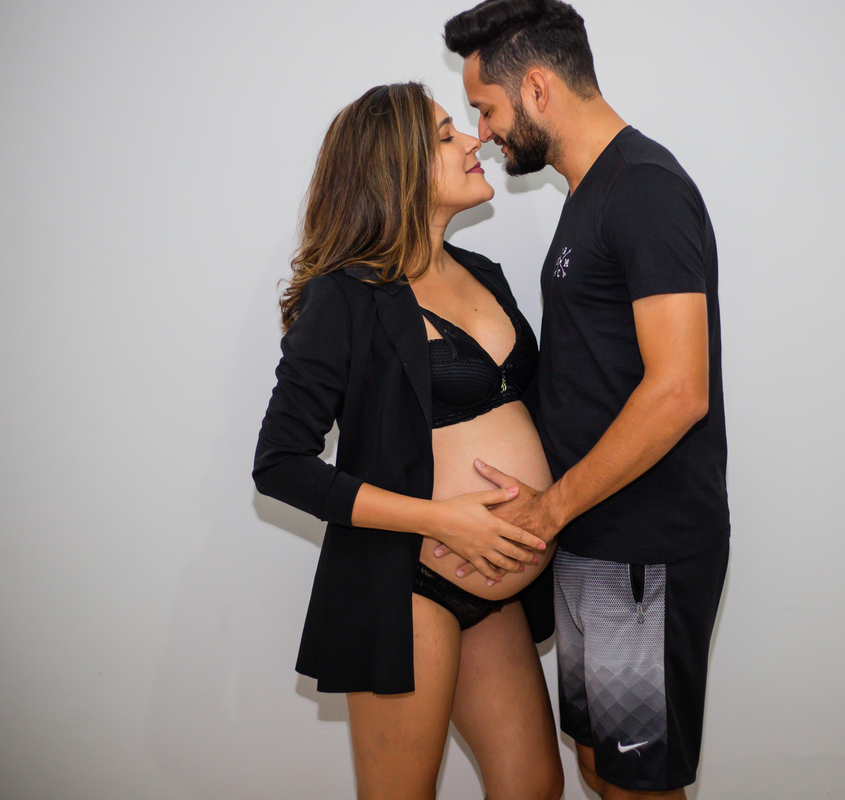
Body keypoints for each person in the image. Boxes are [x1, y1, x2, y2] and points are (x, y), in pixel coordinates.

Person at [440, 2, 731, 798]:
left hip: (642, 548)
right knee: (603, 769)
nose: (484, 134)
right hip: (592, 542)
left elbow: (679, 391)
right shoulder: (591, 193)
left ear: (537, 88)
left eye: (486, 109)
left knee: (639, 785)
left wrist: (550, 509)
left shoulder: (642, 187)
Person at [253, 82, 563, 800]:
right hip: (404, 582)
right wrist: (441, 521)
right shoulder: (344, 295)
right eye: (448, 134)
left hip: (492, 584)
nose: (474, 140)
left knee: (534, 786)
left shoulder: (482, 273)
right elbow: (281, 464)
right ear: (395, 166)